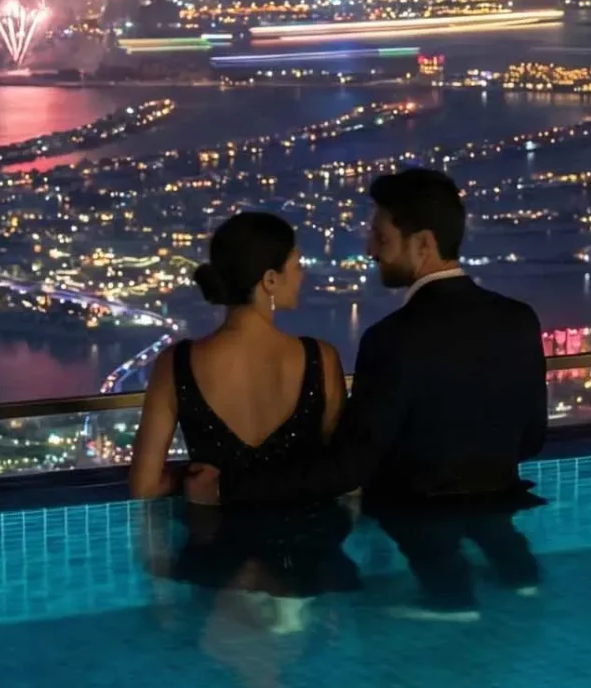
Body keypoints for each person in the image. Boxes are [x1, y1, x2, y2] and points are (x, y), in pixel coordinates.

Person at [186, 168, 547, 510]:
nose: (370, 250)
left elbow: (346, 469)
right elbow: (532, 437)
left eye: (381, 236)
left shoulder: (393, 339)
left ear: (423, 243)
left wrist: (225, 489)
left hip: (414, 532)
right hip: (503, 515)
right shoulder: (519, 320)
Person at [127, 211, 358, 598]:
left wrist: (195, 479)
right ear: (269, 279)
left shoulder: (177, 363)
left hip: (216, 556)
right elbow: (344, 477)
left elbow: (144, 485)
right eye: (296, 265)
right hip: (305, 557)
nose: (302, 275)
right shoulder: (320, 358)